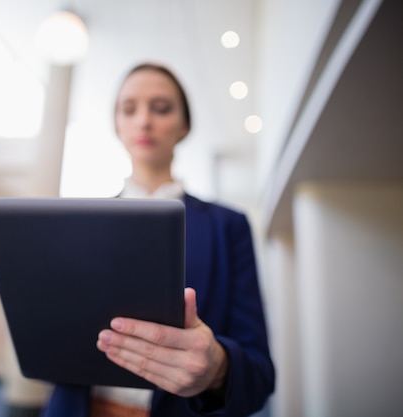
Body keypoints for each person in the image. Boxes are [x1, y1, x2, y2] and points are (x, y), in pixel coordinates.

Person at [42, 63, 275, 417]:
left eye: (161, 108)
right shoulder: (81, 223)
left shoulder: (228, 226)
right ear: (117, 125)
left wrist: (217, 367)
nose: (144, 121)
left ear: (184, 125)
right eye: (129, 109)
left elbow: (259, 374)